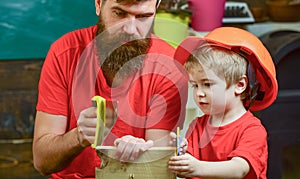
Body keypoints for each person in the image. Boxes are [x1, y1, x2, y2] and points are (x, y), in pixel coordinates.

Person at [32, 0, 188, 178]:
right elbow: (42, 162)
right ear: (98, 4)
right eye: (119, 14)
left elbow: (157, 171)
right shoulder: (65, 53)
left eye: (143, 17)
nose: (130, 29)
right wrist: (78, 137)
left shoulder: (170, 67)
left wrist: (142, 153)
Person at [168, 27, 278, 179]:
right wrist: (180, 153)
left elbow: (238, 169)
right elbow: (188, 168)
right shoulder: (197, 126)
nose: (199, 93)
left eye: (207, 84)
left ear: (240, 85)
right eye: (195, 85)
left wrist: (198, 167)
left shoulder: (252, 130)